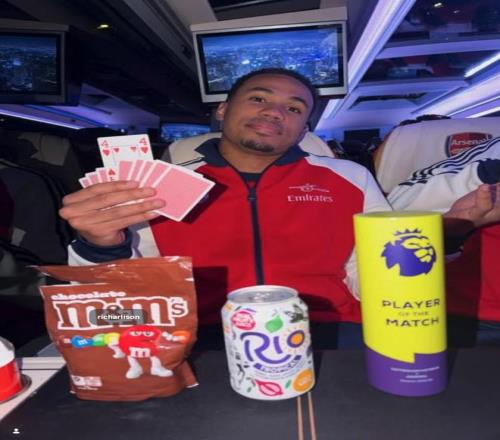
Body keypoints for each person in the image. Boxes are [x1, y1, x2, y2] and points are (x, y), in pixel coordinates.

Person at [59, 68, 500, 348]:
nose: (275, 112)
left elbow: (372, 281)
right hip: (207, 338)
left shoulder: (349, 178)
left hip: (335, 333)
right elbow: (130, 300)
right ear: (222, 109)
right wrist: (98, 246)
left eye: (293, 108)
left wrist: (449, 234)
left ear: (304, 127)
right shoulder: (156, 185)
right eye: (259, 98)